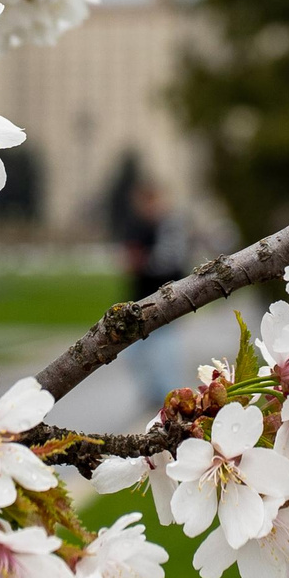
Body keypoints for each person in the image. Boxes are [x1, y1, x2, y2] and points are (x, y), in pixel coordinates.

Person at [118, 174, 194, 409]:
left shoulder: (168, 226)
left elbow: (170, 261)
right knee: (135, 355)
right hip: (140, 302)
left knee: (164, 357)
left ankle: (171, 403)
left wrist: (143, 261)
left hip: (165, 304)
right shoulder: (138, 226)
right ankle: (155, 398)